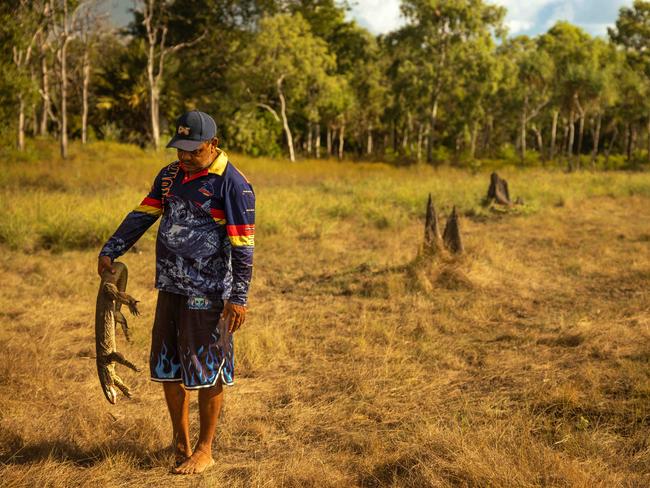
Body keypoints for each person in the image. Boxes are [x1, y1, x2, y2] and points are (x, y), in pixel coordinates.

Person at [97, 110, 255, 474]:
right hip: (170, 287)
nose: (184, 157)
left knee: (207, 370)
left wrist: (239, 298)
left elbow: (244, 247)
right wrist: (112, 249)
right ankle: (181, 444)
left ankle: (205, 449)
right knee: (170, 369)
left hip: (210, 293)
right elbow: (143, 214)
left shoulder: (232, 184)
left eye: (192, 150)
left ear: (212, 144)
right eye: (179, 149)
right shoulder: (170, 176)